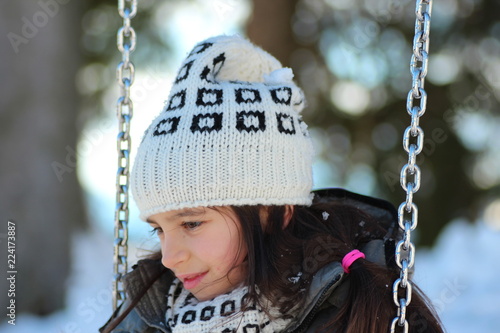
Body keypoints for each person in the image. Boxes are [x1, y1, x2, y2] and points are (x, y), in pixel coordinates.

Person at [100, 35, 444, 333]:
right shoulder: (151, 313)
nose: (169, 259)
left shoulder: (361, 311)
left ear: (274, 213)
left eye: (191, 223)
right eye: (159, 229)